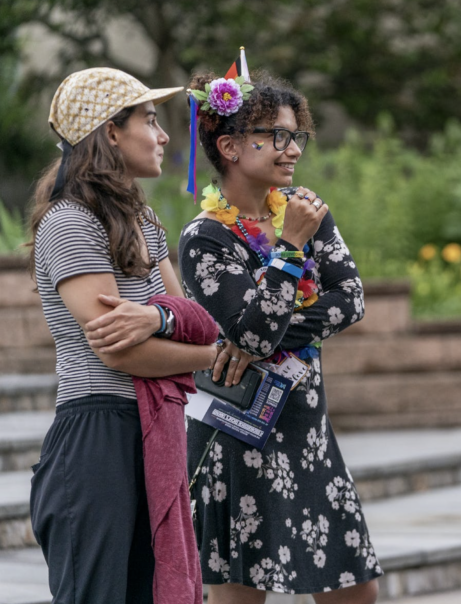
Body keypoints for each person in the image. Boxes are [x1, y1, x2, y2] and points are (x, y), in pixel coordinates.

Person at [178, 69, 381, 604]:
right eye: (276, 136)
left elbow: (352, 299)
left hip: (307, 432)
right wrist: (290, 249)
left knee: (357, 590)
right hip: (237, 435)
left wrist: (266, 333)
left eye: (297, 135)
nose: (292, 149)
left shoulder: (309, 209)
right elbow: (257, 333)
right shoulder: (205, 238)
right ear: (229, 146)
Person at [28, 68, 219, 603]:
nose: (163, 136)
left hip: (154, 429)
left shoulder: (143, 221)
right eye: (150, 120)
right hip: (98, 438)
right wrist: (209, 354)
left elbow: (185, 315)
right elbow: (122, 353)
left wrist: (163, 322)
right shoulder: (69, 221)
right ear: (110, 132)